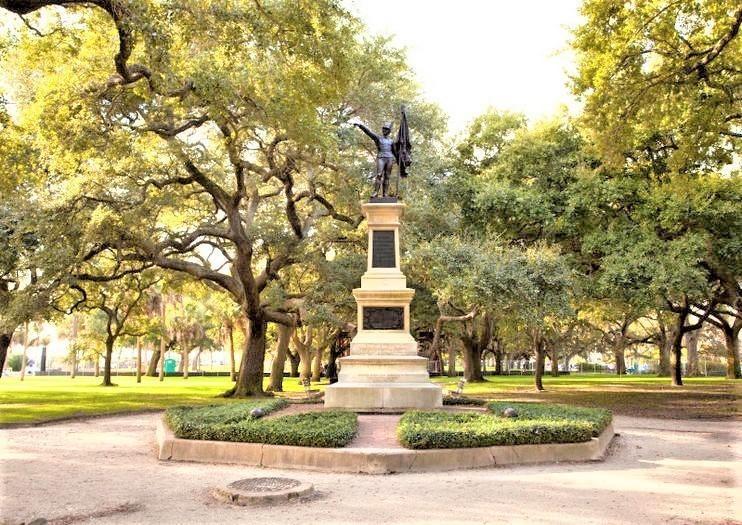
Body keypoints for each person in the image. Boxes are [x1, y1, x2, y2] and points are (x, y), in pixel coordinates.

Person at [353, 120, 395, 197]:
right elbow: (369, 132)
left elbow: (395, 152)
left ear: (389, 131)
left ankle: (385, 194)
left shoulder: (391, 141)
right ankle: (375, 192)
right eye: (383, 129)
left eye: (386, 129)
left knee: (387, 176)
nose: (384, 130)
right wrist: (360, 126)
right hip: (381, 158)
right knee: (379, 174)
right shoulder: (378, 138)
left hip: (389, 158)